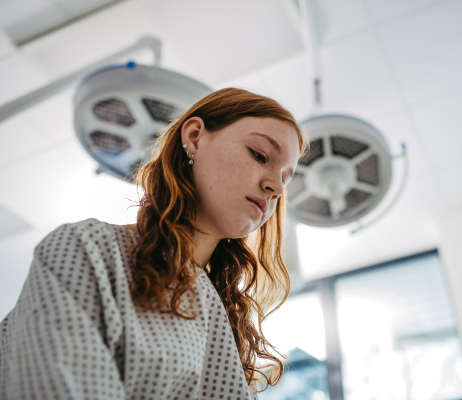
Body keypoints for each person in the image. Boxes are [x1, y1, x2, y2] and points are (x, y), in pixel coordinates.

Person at [0, 88, 309, 400]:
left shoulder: (223, 316)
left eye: (285, 180)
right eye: (259, 155)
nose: (274, 187)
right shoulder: (87, 250)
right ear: (195, 137)